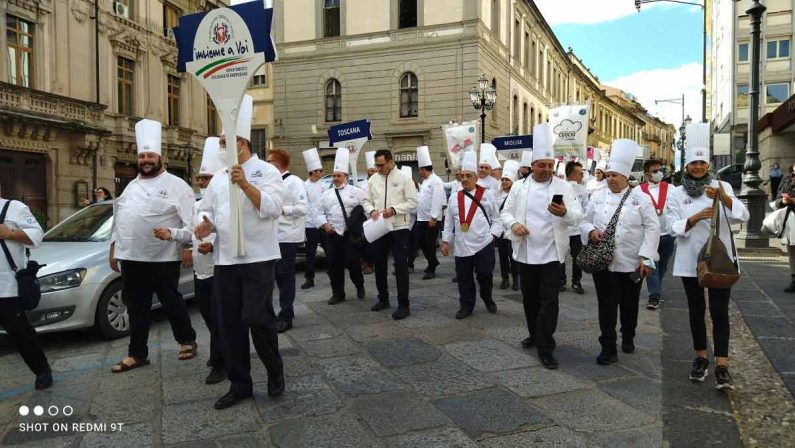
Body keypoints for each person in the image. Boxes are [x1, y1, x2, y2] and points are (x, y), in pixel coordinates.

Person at [194, 95, 285, 409]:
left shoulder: (266, 172)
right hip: (226, 260)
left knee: (257, 318)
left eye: (225, 141)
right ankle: (240, 384)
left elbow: (274, 208)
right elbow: (206, 212)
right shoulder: (217, 179)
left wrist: (246, 184)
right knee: (230, 323)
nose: (221, 146)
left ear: (242, 142)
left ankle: (274, 370)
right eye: (220, 141)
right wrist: (205, 226)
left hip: (259, 258)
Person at [108, 118, 198, 373]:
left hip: (162, 256)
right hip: (132, 257)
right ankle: (137, 354)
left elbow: (191, 222)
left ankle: (187, 340)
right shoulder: (131, 187)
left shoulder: (177, 185)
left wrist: (186, 245)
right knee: (136, 306)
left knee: (171, 301)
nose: (145, 160)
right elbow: (120, 219)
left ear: (160, 158)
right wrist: (113, 248)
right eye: (142, 156)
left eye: (150, 155)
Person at [667, 123, 749, 390]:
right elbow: (670, 226)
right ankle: (701, 357)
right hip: (690, 259)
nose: (699, 167)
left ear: (708, 164)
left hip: (719, 260)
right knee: (695, 310)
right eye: (694, 163)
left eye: (702, 163)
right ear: (687, 166)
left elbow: (743, 216)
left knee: (719, 311)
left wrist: (724, 198)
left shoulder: (722, 185)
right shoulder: (677, 193)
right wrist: (692, 218)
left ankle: (722, 365)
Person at [501, 123, 582, 370]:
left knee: (550, 301)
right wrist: (514, 224)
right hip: (525, 251)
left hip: (550, 253)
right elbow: (505, 213)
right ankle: (534, 334)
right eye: (542, 165)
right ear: (533, 166)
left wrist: (565, 212)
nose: (547, 169)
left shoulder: (563, 187)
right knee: (529, 299)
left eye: (550, 165)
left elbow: (578, 215)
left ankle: (546, 346)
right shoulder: (519, 186)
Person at [581, 139, 660, 366]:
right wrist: (591, 232)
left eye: (615, 175)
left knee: (629, 303)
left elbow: (652, 228)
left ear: (625, 176)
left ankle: (628, 334)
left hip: (632, 264)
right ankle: (607, 346)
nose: (611, 178)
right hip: (603, 262)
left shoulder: (640, 198)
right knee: (606, 305)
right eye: (608, 175)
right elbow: (584, 222)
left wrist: (646, 257)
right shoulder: (597, 196)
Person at [163, 137, 226, 384]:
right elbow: (190, 232)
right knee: (209, 318)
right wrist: (173, 236)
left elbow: (231, 235)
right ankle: (222, 350)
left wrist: (214, 244)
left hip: (220, 271)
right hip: (201, 273)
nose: (202, 182)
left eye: (207, 178)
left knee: (220, 319)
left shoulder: (225, 205)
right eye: (200, 178)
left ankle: (220, 362)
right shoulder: (197, 206)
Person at [0, 188, 52, 390]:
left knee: (20, 334)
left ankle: (42, 370)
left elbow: (37, 236)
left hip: (7, 287)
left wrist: (9, 233)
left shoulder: (14, 208)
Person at [441, 151, 502, 319]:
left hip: (484, 243)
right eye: (462, 176)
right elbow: (449, 222)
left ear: (476, 178)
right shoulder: (454, 197)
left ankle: (487, 296)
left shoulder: (486, 195)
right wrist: (446, 241)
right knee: (464, 278)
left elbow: (497, 219)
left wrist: (492, 236)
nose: (465, 179)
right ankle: (466, 305)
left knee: (484, 274)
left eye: (469, 175)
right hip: (462, 244)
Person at [363, 149, 418, 320]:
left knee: (401, 265)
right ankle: (383, 298)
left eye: (381, 165)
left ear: (390, 161)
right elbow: (365, 200)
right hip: (379, 227)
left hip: (399, 227)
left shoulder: (404, 178)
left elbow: (413, 202)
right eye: (376, 165)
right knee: (379, 265)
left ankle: (404, 304)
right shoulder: (373, 179)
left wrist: (394, 210)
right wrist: (371, 210)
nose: (378, 168)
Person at [266, 149, 307, 333]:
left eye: (269, 161)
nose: (267, 164)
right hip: (269, 236)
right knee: (270, 277)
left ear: (279, 163)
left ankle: (286, 314)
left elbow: (302, 208)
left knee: (284, 276)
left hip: (287, 236)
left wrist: (280, 209)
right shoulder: (268, 183)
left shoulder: (294, 182)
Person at [319, 148, 367, 304]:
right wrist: (325, 224)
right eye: (333, 175)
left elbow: (366, 207)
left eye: (338, 175)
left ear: (345, 176)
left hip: (349, 235)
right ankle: (338, 293)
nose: (335, 178)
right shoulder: (326, 194)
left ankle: (359, 284)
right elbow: (318, 211)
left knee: (353, 263)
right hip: (332, 235)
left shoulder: (357, 192)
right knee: (334, 266)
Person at [639, 159, 674, 310]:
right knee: (651, 265)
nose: (659, 173)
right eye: (654, 171)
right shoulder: (639, 190)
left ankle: (656, 289)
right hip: (648, 236)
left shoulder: (671, 188)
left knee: (663, 265)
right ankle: (654, 296)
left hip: (667, 234)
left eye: (660, 170)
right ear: (647, 174)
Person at [413, 146, 446, 280]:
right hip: (421, 218)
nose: (419, 172)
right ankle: (433, 261)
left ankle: (431, 268)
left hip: (431, 219)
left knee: (429, 244)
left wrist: (433, 217)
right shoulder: (426, 181)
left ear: (423, 169)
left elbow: (438, 200)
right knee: (421, 242)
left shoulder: (436, 181)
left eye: (420, 169)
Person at [560, 161, 588, 294]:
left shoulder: (582, 189)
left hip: (577, 230)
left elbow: (586, 208)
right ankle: (561, 281)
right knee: (561, 256)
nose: (582, 176)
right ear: (571, 174)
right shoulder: (560, 187)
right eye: (580, 173)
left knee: (577, 257)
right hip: (563, 229)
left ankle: (576, 281)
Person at [301, 148, 325, 290]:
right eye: (319, 171)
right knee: (310, 253)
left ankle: (333, 276)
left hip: (323, 223)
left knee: (330, 251)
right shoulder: (304, 186)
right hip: (310, 224)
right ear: (313, 172)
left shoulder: (324, 185)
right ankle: (309, 278)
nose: (321, 173)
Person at [496, 160, 520, 291]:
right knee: (502, 256)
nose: (504, 181)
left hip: (512, 230)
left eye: (507, 179)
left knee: (513, 256)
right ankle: (505, 278)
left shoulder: (516, 194)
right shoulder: (497, 194)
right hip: (500, 231)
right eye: (503, 179)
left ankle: (516, 279)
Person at [773, 162, 795, 292]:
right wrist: (783, 201)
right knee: (792, 251)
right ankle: (794, 280)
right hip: (790, 219)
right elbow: (777, 199)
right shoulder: (786, 178)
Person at [360, 151, 378, 275]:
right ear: (368, 172)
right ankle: (368, 262)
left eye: (376, 171)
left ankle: (374, 264)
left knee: (376, 244)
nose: (374, 173)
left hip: (379, 218)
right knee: (365, 243)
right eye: (372, 171)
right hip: (366, 219)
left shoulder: (382, 184)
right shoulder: (362, 185)